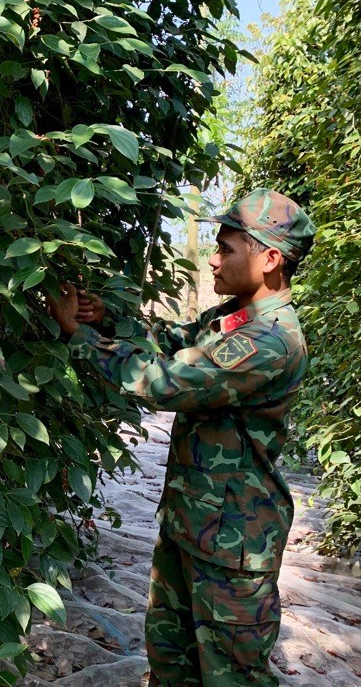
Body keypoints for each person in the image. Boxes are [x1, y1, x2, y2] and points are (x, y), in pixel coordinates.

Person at [47, 188, 316, 686]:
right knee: (172, 662)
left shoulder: (272, 340)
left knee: (231, 675)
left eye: (227, 249)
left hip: (235, 544)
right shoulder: (234, 318)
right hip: (192, 526)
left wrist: (81, 337)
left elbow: (169, 382)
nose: (213, 261)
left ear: (271, 258)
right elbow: (174, 341)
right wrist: (108, 319)